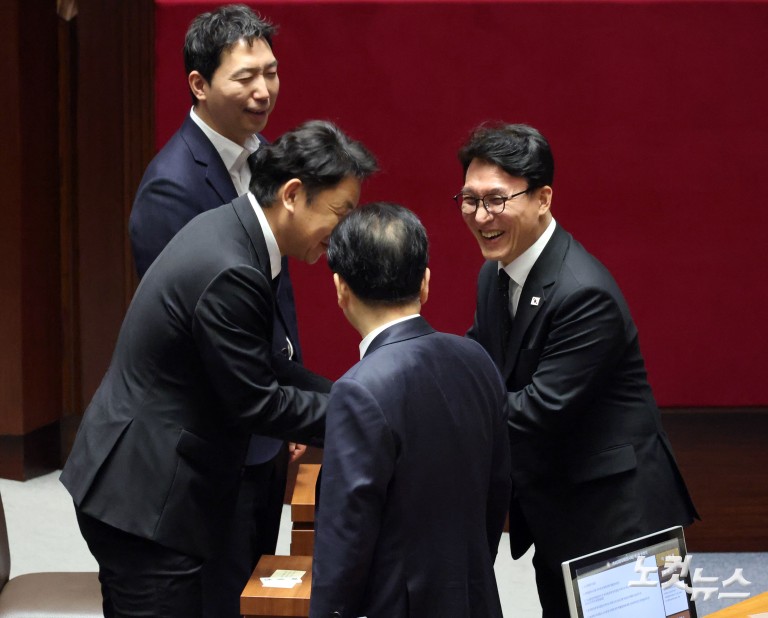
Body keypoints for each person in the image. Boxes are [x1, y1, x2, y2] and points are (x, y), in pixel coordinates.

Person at [61, 120, 378, 618]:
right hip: (143, 500)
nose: (343, 237)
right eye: (341, 213)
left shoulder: (238, 231)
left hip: (153, 478)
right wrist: (367, 417)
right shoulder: (233, 266)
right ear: (294, 195)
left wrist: (355, 396)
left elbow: (264, 360)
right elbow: (257, 400)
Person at [455, 122, 698, 617]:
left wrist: (432, 414)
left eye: (497, 200)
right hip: (559, 512)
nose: (481, 216)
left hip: (624, 522)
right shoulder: (494, 274)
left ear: (543, 198)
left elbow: (536, 409)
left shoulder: (583, 293)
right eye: (469, 200)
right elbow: (478, 359)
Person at [128, 6, 305, 615]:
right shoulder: (171, 188)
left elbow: (275, 294)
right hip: (200, 451)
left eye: (272, 72)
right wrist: (288, 409)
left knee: (255, 593)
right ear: (199, 85)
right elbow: (196, 338)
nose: (263, 90)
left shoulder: (269, 160)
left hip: (258, 433)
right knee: (215, 597)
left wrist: (286, 413)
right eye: (245, 77)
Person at [310, 203, 511, 618]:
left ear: (340, 288)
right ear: (425, 283)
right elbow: (495, 497)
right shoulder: (478, 361)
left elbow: (344, 549)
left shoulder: (357, 391)